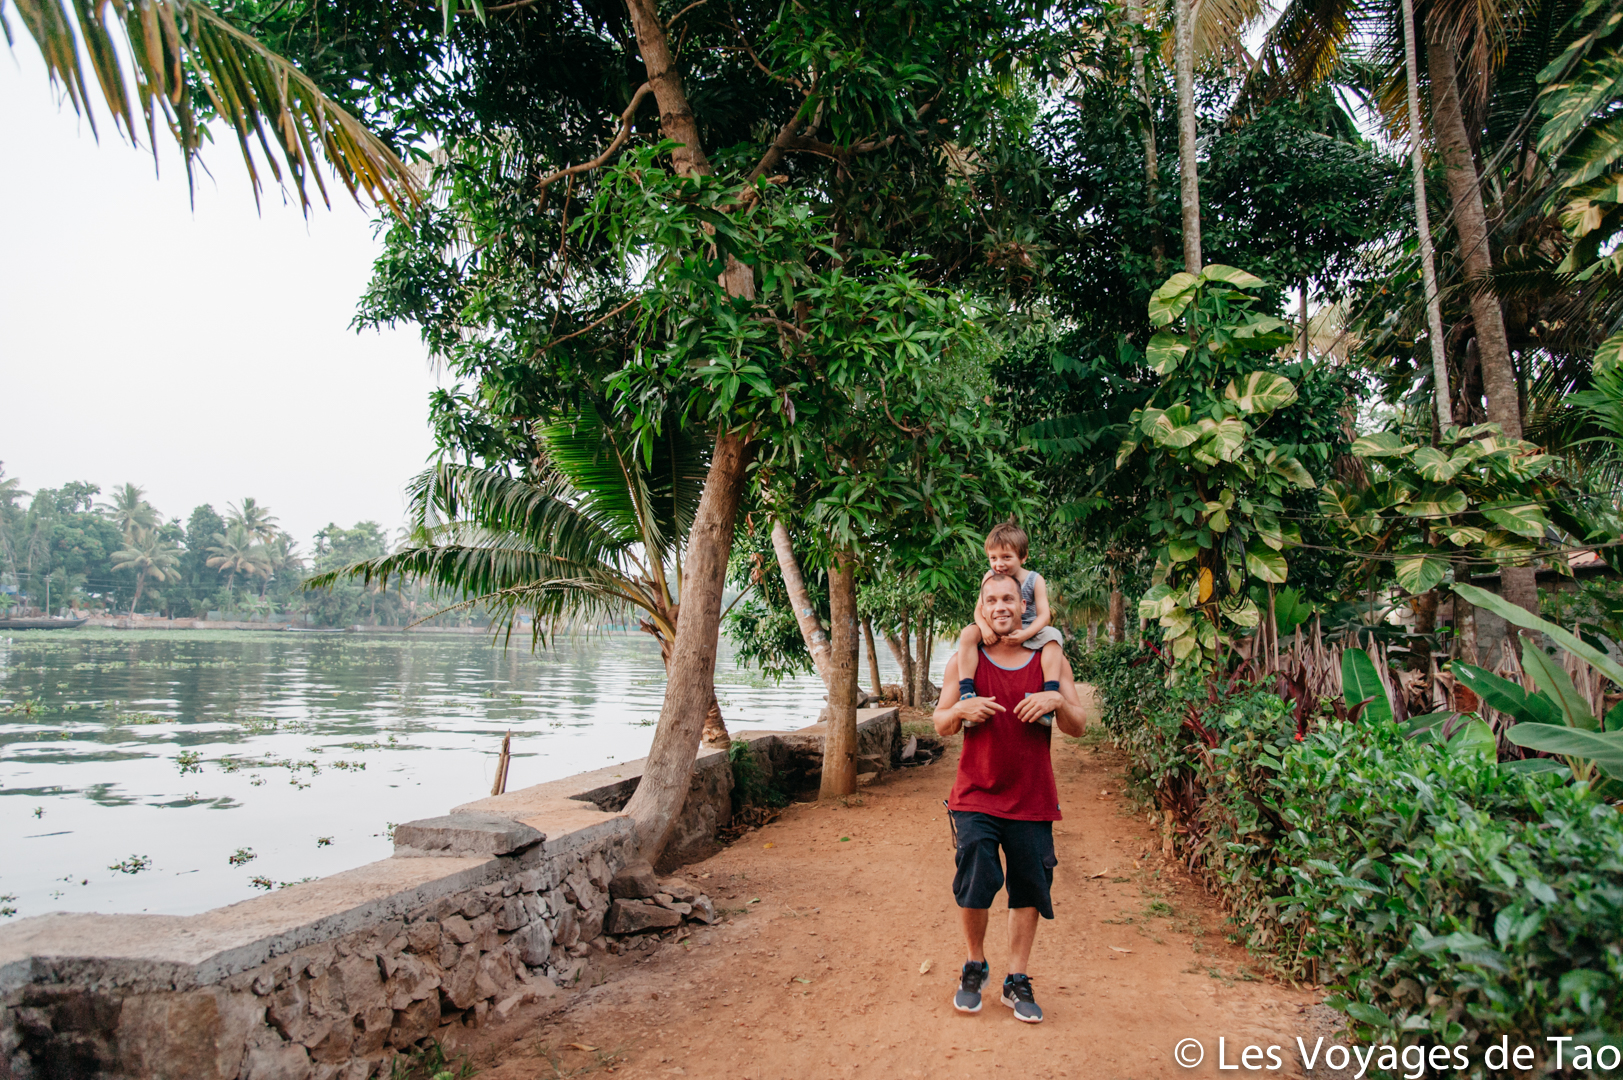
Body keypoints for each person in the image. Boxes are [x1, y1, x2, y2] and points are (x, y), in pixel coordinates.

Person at [932, 572, 1092, 1024]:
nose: (1001, 606)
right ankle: (974, 964)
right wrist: (960, 709)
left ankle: (1016, 978)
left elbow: (1079, 725)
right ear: (982, 608)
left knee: (1028, 887)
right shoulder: (965, 661)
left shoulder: (1048, 659)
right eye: (992, 600)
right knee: (975, 880)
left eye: (1009, 599)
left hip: (1031, 797)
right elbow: (940, 722)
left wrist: (1056, 703)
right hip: (975, 795)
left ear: (1023, 606)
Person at [953, 521, 1066, 726]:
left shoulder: (1035, 579)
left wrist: (1025, 635)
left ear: (1023, 557)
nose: (999, 564)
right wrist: (985, 628)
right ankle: (967, 692)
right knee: (968, 634)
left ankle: (1050, 692)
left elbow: (1044, 616)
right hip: (994, 626)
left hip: (1028, 628)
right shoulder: (990, 577)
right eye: (993, 558)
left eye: (1006, 557)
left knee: (1054, 637)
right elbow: (979, 610)